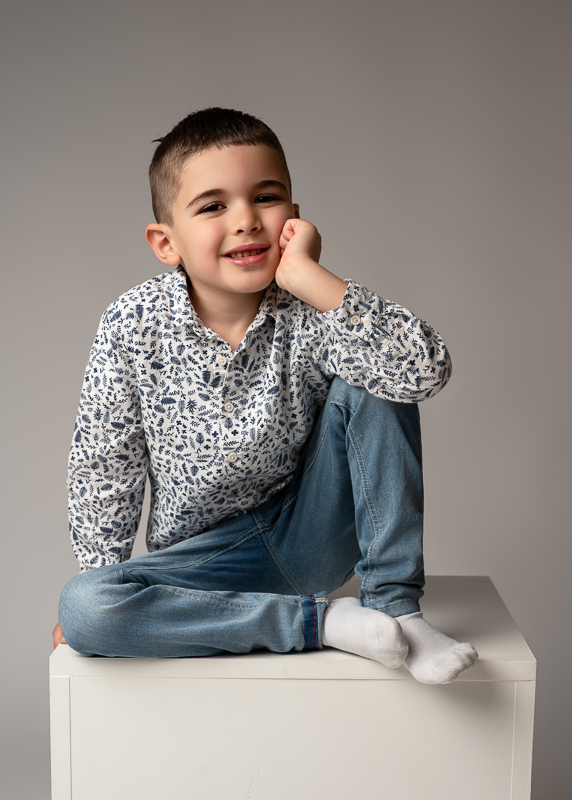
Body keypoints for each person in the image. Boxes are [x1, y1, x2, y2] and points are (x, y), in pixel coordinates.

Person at [54, 107, 477, 684]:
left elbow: (422, 370)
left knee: (376, 370)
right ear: (165, 242)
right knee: (85, 607)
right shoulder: (133, 324)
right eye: (213, 206)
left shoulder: (314, 309)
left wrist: (310, 277)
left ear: (294, 218)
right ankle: (321, 624)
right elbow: (106, 466)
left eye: (266, 197)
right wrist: (104, 578)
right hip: (202, 568)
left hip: (310, 533)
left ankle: (395, 608)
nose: (246, 220)